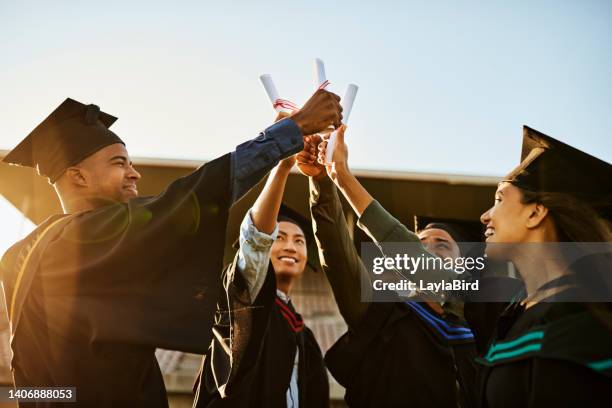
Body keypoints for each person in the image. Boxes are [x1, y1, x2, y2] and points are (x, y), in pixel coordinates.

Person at [0, 92, 342, 407]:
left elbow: (28, 377)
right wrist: (289, 132)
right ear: (78, 177)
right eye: (119, 163)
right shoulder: (90, 235)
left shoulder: (18, 256)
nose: (134, 174)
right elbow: (196, 195)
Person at [316, 126, 612, 406]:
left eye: (498, 200)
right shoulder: (500, 308)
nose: (485, 215)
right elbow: (409, 253)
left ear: (535, 213)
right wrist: (339, 175)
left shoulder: (594, 314)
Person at [295, 137, 480, 407]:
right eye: (420, 243)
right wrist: (322, 181)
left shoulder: (480, 328)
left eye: (442, 245)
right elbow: (336, 251)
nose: (427, 250)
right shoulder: (382, 313)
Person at [194, 131, 328, 407]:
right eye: (280, 238)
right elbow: (255, 244)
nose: (291, 246)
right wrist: (282, 168)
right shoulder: (247, 302)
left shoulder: (305, 334)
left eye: (299, 241)